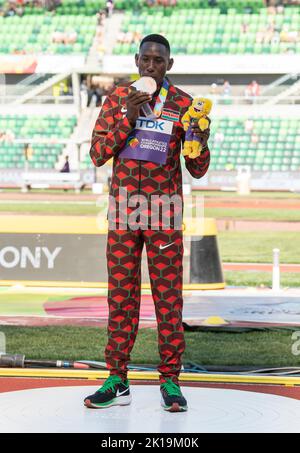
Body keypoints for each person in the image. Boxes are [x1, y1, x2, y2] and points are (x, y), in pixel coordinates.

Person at [84, 34, 211, 412]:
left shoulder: (185, 105)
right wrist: (128, 119)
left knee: (168, 300)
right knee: (120, 297)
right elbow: (97, 153)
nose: (151, 66)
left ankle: (171, 380)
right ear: (136, 61)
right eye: (146, 59)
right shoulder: (118, 100)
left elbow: (197, 169)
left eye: (159, 60)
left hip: (164, 214)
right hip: (124, 211)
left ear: (169, 65)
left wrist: (200, 141)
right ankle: (116, 378)